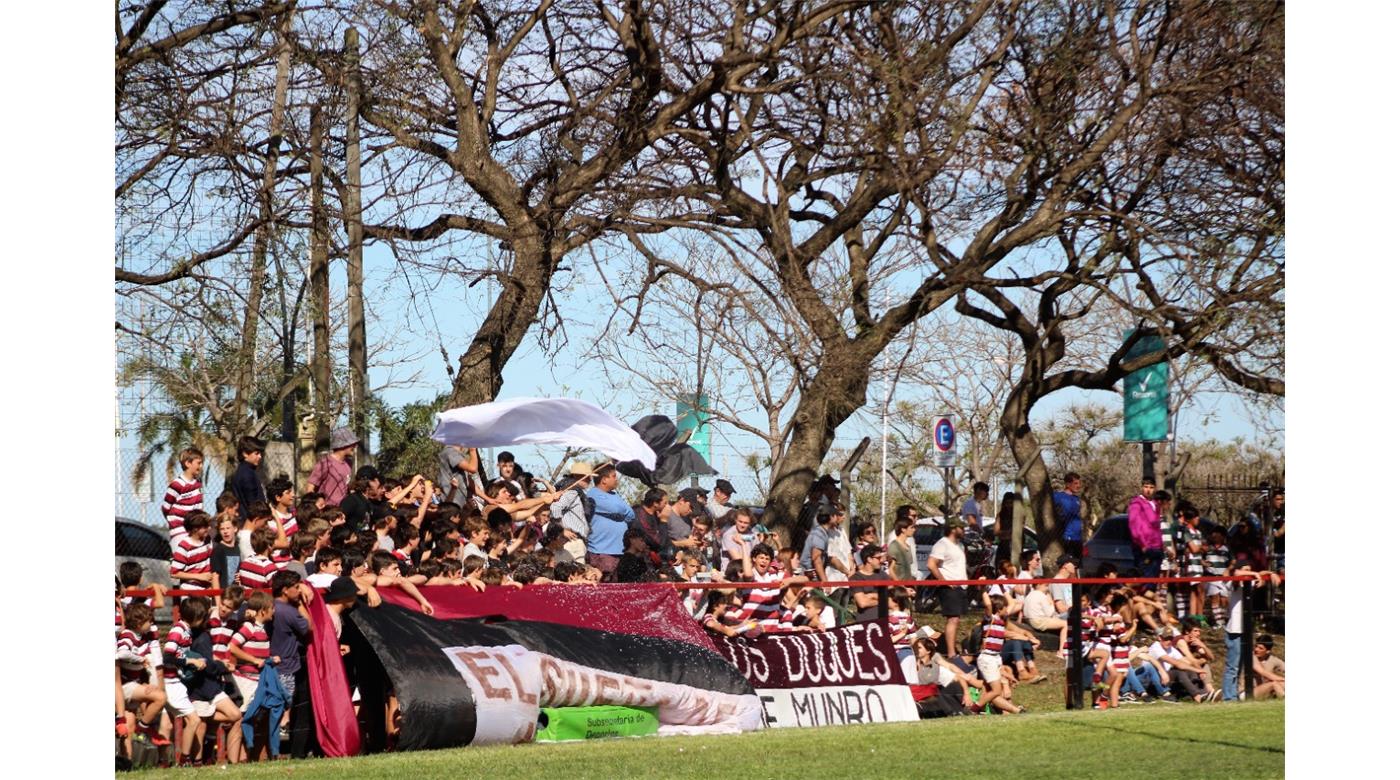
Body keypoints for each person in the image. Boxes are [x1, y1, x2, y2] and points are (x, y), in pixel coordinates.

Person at [927, 517, 969, 658]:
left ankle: (951, 650)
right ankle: (951, 653)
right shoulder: (942, 544)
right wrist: (944, 581)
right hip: (949, 588)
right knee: (953, 619)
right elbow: (931, 564)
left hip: (961, 587)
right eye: (961, 527)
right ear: (953, 529)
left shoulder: (959, 545)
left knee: (956, 619)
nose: (963, 530)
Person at [583, 464, 634, 579]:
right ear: (604, 479)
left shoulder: (615, 495)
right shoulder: (592, 495)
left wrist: (621, 512)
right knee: (605, 583)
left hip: (619, 551)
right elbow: (615, 508)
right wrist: (621, 511)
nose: (616, 479)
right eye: (614, 476)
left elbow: (631, 514)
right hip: (602, 551)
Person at [978, 595, 1026, 714]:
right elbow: (988, 605)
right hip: (988, 657)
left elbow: (1012, 603)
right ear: (999, 609)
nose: (1007, 610)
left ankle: (1010, 711)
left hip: (995, 657)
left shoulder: (1001, 621)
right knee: (996, 690)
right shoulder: (990, 619)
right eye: (1005, 607)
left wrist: (1003, 588)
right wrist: (983, 591)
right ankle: (974, 708)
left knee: (991, 690)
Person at [162, 447, 205, 551]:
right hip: (179, 532)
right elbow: (165, 508)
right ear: (188, 463)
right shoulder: (177, 485)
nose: (201, 466)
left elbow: (199, 509)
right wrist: (175, 523)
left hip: (193, 531)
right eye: (198, 463)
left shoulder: (198, 485)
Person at [307, 427, 357, 506]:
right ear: (343, 444)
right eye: (352, 443)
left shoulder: (348, 463)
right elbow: (310, 488)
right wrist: (316, 505)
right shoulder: (325, 463)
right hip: (327, 509)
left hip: (342, 509)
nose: (355, 446)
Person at [172, 511, 217, 592]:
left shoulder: (207, 540)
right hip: (190, 590)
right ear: (195, 529)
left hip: (206, 589)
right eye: (205, 526)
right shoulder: (184, 546)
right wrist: (199, 576)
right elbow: (174, 573)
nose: (209, 528)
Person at [799, 507, 848, 582]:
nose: (838, 518)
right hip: (808, 575)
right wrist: (825, 582)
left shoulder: (823, 532)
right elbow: (816, 559)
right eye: (836, 515)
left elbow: (828, 558)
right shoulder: (819, 534)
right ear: (831, 517)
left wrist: (846, 571)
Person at [1128, 479, 1164, 578]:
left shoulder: (1155, 504)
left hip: (1156, 547)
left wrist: (1161, 544)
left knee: (1154, 579)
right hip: (1144, 546)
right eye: (1146, 487)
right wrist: (1142, 544)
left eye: (1151, 487)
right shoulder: (1136, 503)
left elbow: (1157, 527)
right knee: (1144, 578)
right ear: (1141, 487)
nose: (1148, 490)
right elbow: (1134, 525)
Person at [230, 437, 267, 522]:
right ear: (245, 454)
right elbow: (253, 504)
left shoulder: (244, 470)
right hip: (252, 521)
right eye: (256, 453)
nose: (260, 456)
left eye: (260, 453)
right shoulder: (247, 474)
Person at [849, 544, 888, 621]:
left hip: (884, 619)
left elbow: (892, 596)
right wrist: (882, 600)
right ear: (869, 559)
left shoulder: (883, 575)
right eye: (878, 558)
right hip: (866, 621)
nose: (881, 561)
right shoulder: (856, 578)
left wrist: (871, 595)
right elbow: (862, 603)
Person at [1052, 472, 1085, 557]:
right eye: (1075, 483)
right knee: (1068, 562)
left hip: (1078, 538)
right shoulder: (1058, 496)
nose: (1078, 486)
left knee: (1078, 563)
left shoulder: (1077, 499)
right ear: (1068, 484)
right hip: (1067, 537)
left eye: (1079, 483)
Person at [209, 514, 243, 590]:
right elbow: (215, 577)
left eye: (228, 528)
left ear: (235, 529)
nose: (225, 531)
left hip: (235, 593)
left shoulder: (237, 548)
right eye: (222, 529)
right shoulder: (218, 550)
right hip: (223, 593)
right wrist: (217, 597)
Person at [1251, 634, 1285, 699]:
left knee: (1282, 684)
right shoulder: (1251, 657)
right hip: (1248, 692)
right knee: (1274, 684)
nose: (1256, 649)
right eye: (1256, 646)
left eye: (1260, 648)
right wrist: (1283, 679)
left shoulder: (1272, 660)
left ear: (1268, 651)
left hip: (1264, 689)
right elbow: (1264, 673)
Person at [888, 517, 916, 581]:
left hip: (908, 583)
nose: (914, 530)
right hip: (898, 585)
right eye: (911, 527)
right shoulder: (894, 546)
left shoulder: (908, 546)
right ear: (903, 529)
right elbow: (890, 570)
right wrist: (900, 585)